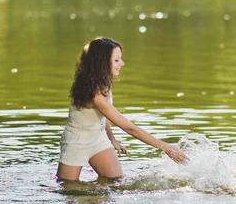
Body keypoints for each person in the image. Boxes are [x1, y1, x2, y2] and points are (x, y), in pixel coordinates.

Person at [56, 37, 188, 181]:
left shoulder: (102, 82)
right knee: (68, 187)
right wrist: (168, 148)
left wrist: (111, 139)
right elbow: (130, 128)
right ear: (103, 63)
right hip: (77, 141)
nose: (122, 63)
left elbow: (101, 116)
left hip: (98, 138)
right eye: (117, 60)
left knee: (115, 181)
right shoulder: (95, 94)